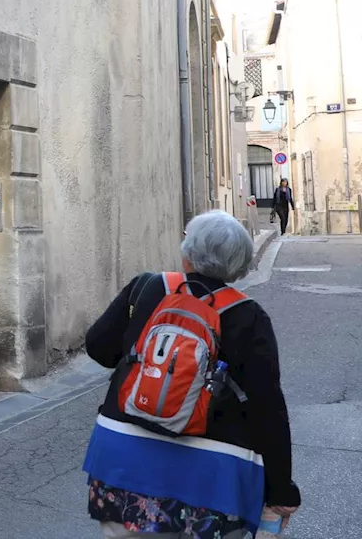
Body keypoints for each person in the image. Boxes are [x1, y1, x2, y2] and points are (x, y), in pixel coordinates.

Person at [82, 210, 300, 538]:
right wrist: (281, 489)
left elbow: (99, 348)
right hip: (213, 475)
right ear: (238, 265)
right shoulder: (249, 316)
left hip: (122, 460)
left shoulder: (145, 288)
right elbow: (267, 409)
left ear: (188, 253)